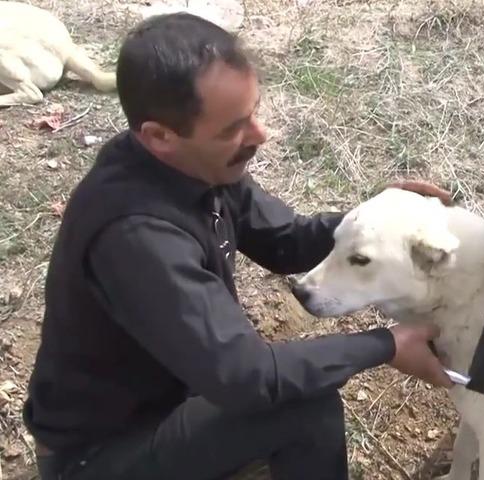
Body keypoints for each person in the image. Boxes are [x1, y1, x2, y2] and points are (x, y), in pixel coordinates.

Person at [22, 12, 454, 480]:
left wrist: (375, 224)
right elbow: (248, 378)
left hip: (171, 403)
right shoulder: (136, 236)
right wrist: (386, 344)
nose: (260, 134)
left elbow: (287, 241)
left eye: (254, 112)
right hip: (100, 455)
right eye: (232, 128)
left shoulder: (197, 167)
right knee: (302, 409)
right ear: (160, 137)